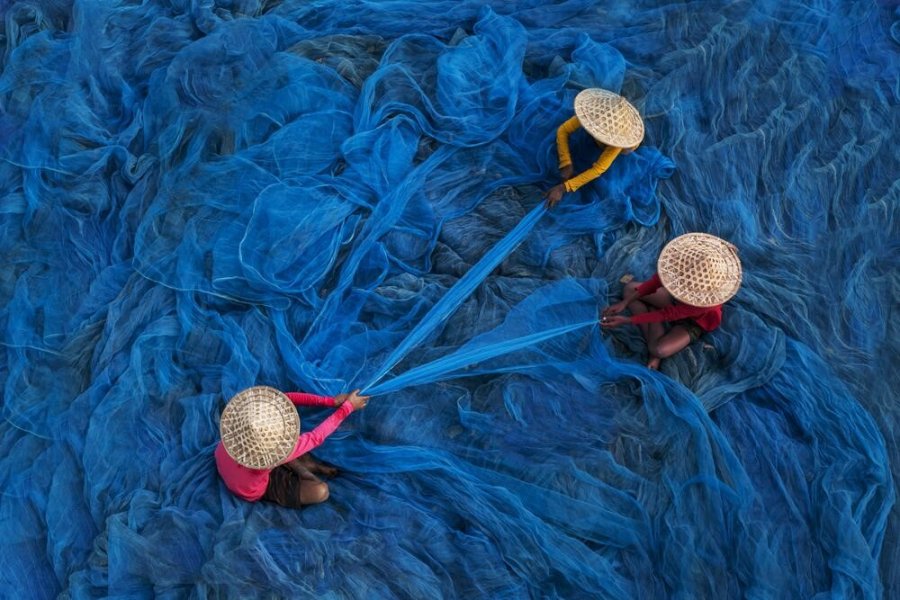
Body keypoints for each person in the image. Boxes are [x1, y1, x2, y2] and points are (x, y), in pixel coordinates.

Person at [601, 233, 742, 369]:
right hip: (675, 300)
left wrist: (627, 320)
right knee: (629, 289)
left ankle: (652, 327)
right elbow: (655, 282)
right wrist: (624, 303)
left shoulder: (706, 301)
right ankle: (651, 320)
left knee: (658, 350)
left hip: (694, 322)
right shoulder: (681, 262)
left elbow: (668, 314)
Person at [215, 385, 369, 507]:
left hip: (224, 459)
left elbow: (285, 398)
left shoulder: (237, 427)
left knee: (292, 449)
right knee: (321, 491)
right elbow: (315, 437)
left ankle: (299, 466)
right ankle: (304, 470)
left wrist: (331, 401)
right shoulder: (269, 456)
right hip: (252, 490)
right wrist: (347, 408)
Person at [544, 88, 645, 208]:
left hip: (617, 147)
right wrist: (565, 162)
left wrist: (563, 188)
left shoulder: (618, 141)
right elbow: (563, 130)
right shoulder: (594, 114)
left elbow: (597, 169)